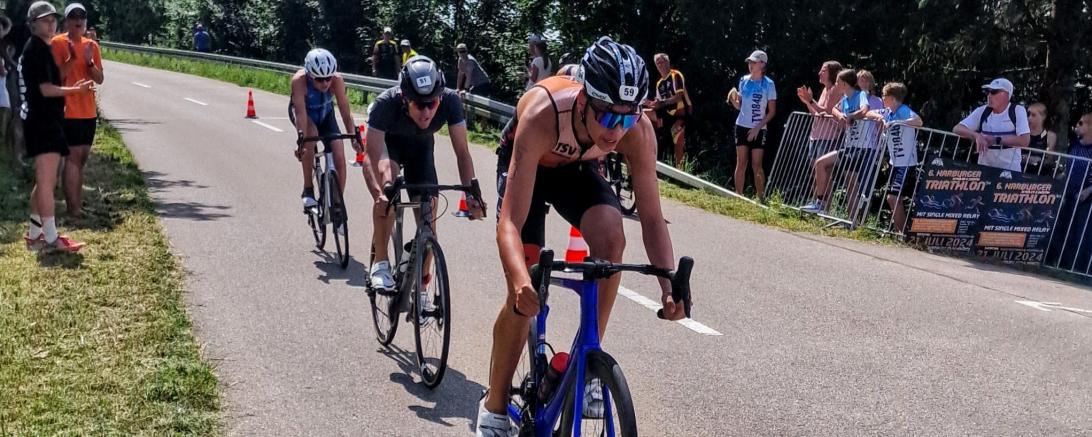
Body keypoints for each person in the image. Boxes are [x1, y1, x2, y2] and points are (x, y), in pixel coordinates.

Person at [476, 36, 688, 436]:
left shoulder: (635, 130)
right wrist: (521, 280)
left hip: (577, 167)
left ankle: (586, 366)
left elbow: (653, 219)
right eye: (609, 116)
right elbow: (509, 223)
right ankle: (494, 407)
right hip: (531, 165)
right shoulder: (543, 113)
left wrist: (667, 284)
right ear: (585, 100)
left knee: (612, 243)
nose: (617, 130)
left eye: (627, 117)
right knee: (525, 285)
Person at [365, 55, 485, 292]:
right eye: (420, 105)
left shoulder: (450, 100)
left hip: (421, 150)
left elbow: (462, 152)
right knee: (389, 189)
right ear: (405, 97)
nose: (427, 111)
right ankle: (380, 263)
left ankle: (421, 287)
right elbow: (371, 156)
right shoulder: (385, 104)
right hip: (391, 149)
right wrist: (378, 193)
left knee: (429, 223)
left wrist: (472, 193)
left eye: (433, 103)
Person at [20, 1, 94, 252]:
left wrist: (72, 59)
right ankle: (50, 238)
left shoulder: (42, 47)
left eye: (52, 19)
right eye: (44, 20)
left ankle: (34, 235)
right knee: (47, 181)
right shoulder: (37, 50)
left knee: (43, 181)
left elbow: (53, 77)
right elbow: (46, 89)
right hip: (42, 123)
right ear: (33, 24)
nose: (50, 24)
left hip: (44, 121)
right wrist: (77, 90)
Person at [289, 48, 364, 214]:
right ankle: (308, 188)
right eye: (320, 79)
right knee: (312, 134)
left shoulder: (337, 80)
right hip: (305, 115)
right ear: (310, 75)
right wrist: (302, 141)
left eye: (328, 78)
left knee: (339, 153)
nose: (325, 83)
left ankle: (337, 204)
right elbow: (300, 113)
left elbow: (345, 110)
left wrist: (353, 137)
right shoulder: (299, 81)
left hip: (325, 113)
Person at [51, 3, 103, 222]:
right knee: (72, 160)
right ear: (66, 21)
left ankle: (75, 205)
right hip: (67, 110)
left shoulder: (92, 45)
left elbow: (99, 79)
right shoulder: (58, 43)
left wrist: (90, 61)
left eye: (81, 16)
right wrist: (71, 59)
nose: (78, 20)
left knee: (81, 160)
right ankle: (74, 211)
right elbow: (54, 76)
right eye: (73, 16)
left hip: (88, 112)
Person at [800, 69, 870, 214]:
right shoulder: (844, 100)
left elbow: (865, 110)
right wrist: (840, 116)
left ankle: (852, 221)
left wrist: (851, 116)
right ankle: (820, 203)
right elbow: (833, 110)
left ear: (844, 84)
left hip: (862, 148)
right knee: (820, 163)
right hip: (849, 146)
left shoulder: (860, 95)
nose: (836, 84)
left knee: (851, 184)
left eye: (837, 82)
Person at [864, 82, 922, 232]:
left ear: (892, 98)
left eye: (884, 95)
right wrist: (879, 117)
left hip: (906, 163)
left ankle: (901, 233)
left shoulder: (903, 110)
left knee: (893, 198)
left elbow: (918, 121)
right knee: (896, 199)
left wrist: (898, 122)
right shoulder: (888, 111)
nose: (882, 98)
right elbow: (868, 113)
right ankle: (900, 232)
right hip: (894, 162)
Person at [727, 50, 776, 201]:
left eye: (753, 62)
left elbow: (772, 112)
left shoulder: (769, 84)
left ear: (762, 64)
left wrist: (757, 128)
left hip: (759, 128)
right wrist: (733, 100)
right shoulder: (743, 80)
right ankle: (738, 196)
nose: (750, 65)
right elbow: (740, 105)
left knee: (757, 165)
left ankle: (760, 199)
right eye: (749, 62)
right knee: (741, 162)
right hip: (741, 125)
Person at [953, 78, 1030, 172]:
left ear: (1006, 94)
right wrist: (976, 136)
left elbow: (1025, 140)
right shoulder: (982, 110)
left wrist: (995, 140)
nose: (989, 95)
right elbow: (957, 128)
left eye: (994, 92)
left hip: (1009, 171)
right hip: (984, 169)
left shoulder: (1017, 111)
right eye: (988, 92)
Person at [1047, 112, 1092, 271]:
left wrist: (1088, 190)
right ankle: (1058, 264)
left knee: (1081, 234)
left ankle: (1079, 270)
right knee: (1062, 227)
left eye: (1081, 123)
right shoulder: (1076, 144)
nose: (1077, 126)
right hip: (1069, 192)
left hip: (1086, 198)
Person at [647, 53, 692, 167]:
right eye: (658, 62)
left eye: (662, 61)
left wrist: (661, 103)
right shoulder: (659, 83)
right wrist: (652, 104)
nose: (660, 65)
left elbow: (679, 96)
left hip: (682, 113)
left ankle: (681, 171)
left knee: (678, 141)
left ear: (668, 62)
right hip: (668, 114)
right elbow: (658, 102)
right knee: (644, 114)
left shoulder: (676, 75)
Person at [796, 61, 844, 160]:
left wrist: (810, 100)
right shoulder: (824, 89)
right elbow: (817, 114)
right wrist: (807, 102)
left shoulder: (835, 89)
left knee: (823, 171)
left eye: (823, 71)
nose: (819, 73)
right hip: (816, 136)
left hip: (828, 138)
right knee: (815, 172)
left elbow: (827, 112)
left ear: (832, 73)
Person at [1023, 102, 1058, 175]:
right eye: (1028, 114)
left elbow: (1049, 159)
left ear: (1043, 116)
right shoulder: (1022, 131)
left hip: (1038, 173)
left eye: (1033, 115)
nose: (1029, 118)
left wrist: (1038, 160)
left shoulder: (1048, 135)